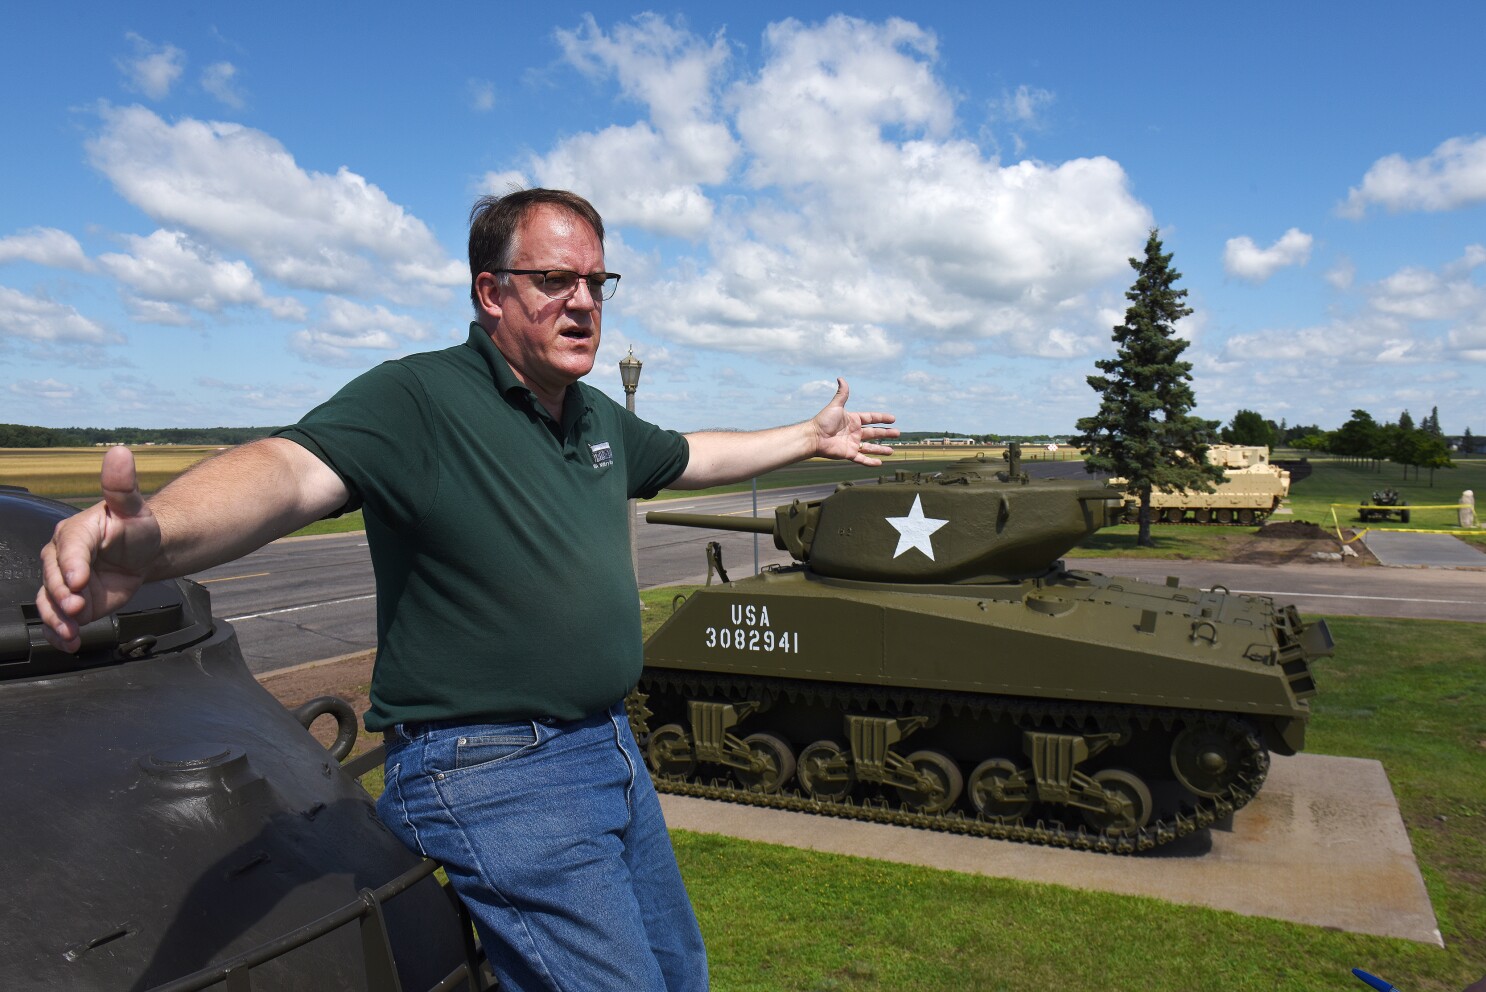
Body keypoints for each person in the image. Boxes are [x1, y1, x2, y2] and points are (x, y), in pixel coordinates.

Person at [36, 188, 899, 992]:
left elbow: (692, 455)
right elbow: (289, 473)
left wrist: (808, 437)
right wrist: (158, 543)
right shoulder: (418, 398)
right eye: (555, 279)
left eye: (597, 281)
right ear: (490, 292)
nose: (585, 301)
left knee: (681, 974)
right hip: (493, 766)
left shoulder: (592, 414)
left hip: (605, 748)